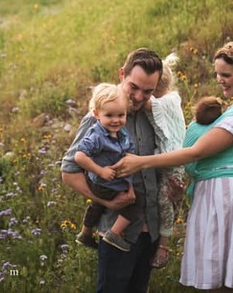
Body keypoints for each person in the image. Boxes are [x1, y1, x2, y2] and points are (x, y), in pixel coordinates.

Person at [114, 40, 233, 291]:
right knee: (218, 272)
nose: (220, 80)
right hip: (220, 195)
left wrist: (141, 162)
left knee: (227, 276)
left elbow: (196, 152)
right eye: (217, 74)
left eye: (226, 74)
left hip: (230, 198)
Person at [61, 48, 163, 293]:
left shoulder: (154, 116)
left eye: (148, 91)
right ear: (121, 75)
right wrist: (106, 201)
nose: (139, 97)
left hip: (150, 230)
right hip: (117, 233)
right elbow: (69, 171)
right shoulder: (99, 118)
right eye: (133, 87)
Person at [75, 83, 141, 252]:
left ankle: (85, 233)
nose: (116, 120)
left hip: (104, 183)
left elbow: (129, 151)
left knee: (97, 205)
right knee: (136, 203)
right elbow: (79, 156)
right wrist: (100, 171)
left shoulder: (122, 132)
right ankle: (114, 233)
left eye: (121, 115)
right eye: (109, 115)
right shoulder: (96, 135)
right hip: (103, 182)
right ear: (96, 114)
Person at [143, 53, 186, 269]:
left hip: (173, 158)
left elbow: (147, 103)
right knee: (160, 195)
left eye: (148, 89)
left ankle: (165, 243)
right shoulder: (164, 97)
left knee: (165, 198)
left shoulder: (168, 100)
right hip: (163, 157)